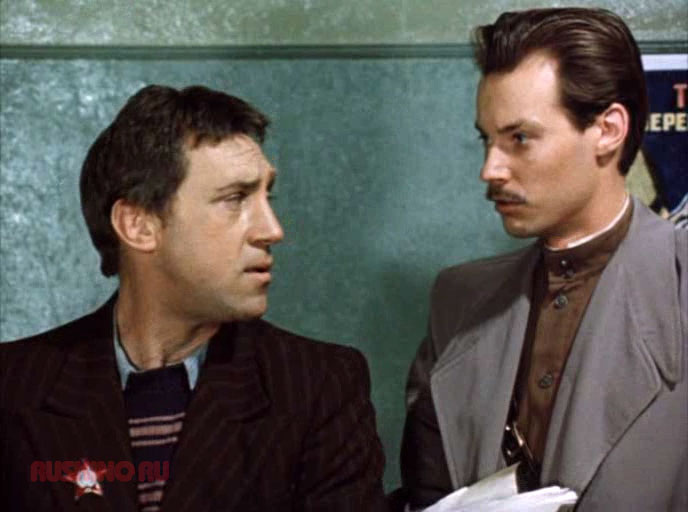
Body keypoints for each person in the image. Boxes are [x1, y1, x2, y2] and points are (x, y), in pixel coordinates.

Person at [0, 85, 386, 511]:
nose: (272, 230)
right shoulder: (14, 386)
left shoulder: (318, 387)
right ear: (138, 225)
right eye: (235, 199)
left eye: (267, 196)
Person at [399, 8, 687, 511]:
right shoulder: (457, 300)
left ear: (608, 130)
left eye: (520, 139)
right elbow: (427, 489)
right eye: (487, 140)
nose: (490, 169)